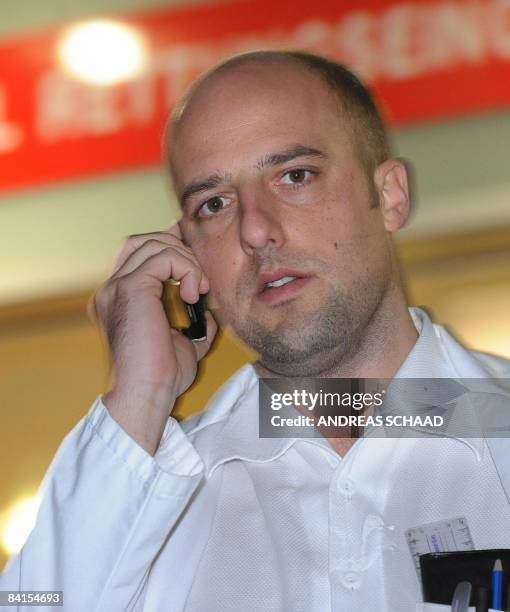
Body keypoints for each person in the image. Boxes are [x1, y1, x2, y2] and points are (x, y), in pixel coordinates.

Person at [1, 50, 510, 612]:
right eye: (214, 204)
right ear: (188, 253)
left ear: (388, 195)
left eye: (295, 176)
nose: (256, 230)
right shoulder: (152, 496)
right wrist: (136, 402)